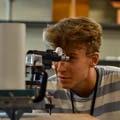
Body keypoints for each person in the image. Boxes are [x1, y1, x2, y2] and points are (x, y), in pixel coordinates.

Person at [42, 17, 120, 120]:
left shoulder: (117, 82)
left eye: (70, 58)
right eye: (57, 57)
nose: (60, 68)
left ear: (93, 60)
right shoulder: (45, 90)